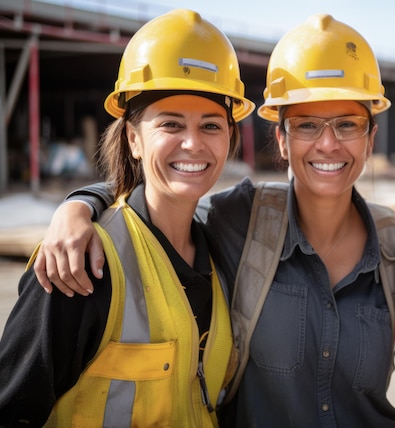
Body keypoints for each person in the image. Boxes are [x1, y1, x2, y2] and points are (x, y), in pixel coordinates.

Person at [29, 14, 395, 428]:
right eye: (307, 125)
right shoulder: (240, 220)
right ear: (283, 140)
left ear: (371, 139)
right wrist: (80, 206)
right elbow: (164, 197)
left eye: (347, 125)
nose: (328, 143)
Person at [0, 9, 255, 426]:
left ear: (230, 137)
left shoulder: (223, 254)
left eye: (211, 125)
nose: (193, 143)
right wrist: (79, 207)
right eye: (171, 124)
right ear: (134, 138)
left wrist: (81, 201)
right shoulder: (80, 267)